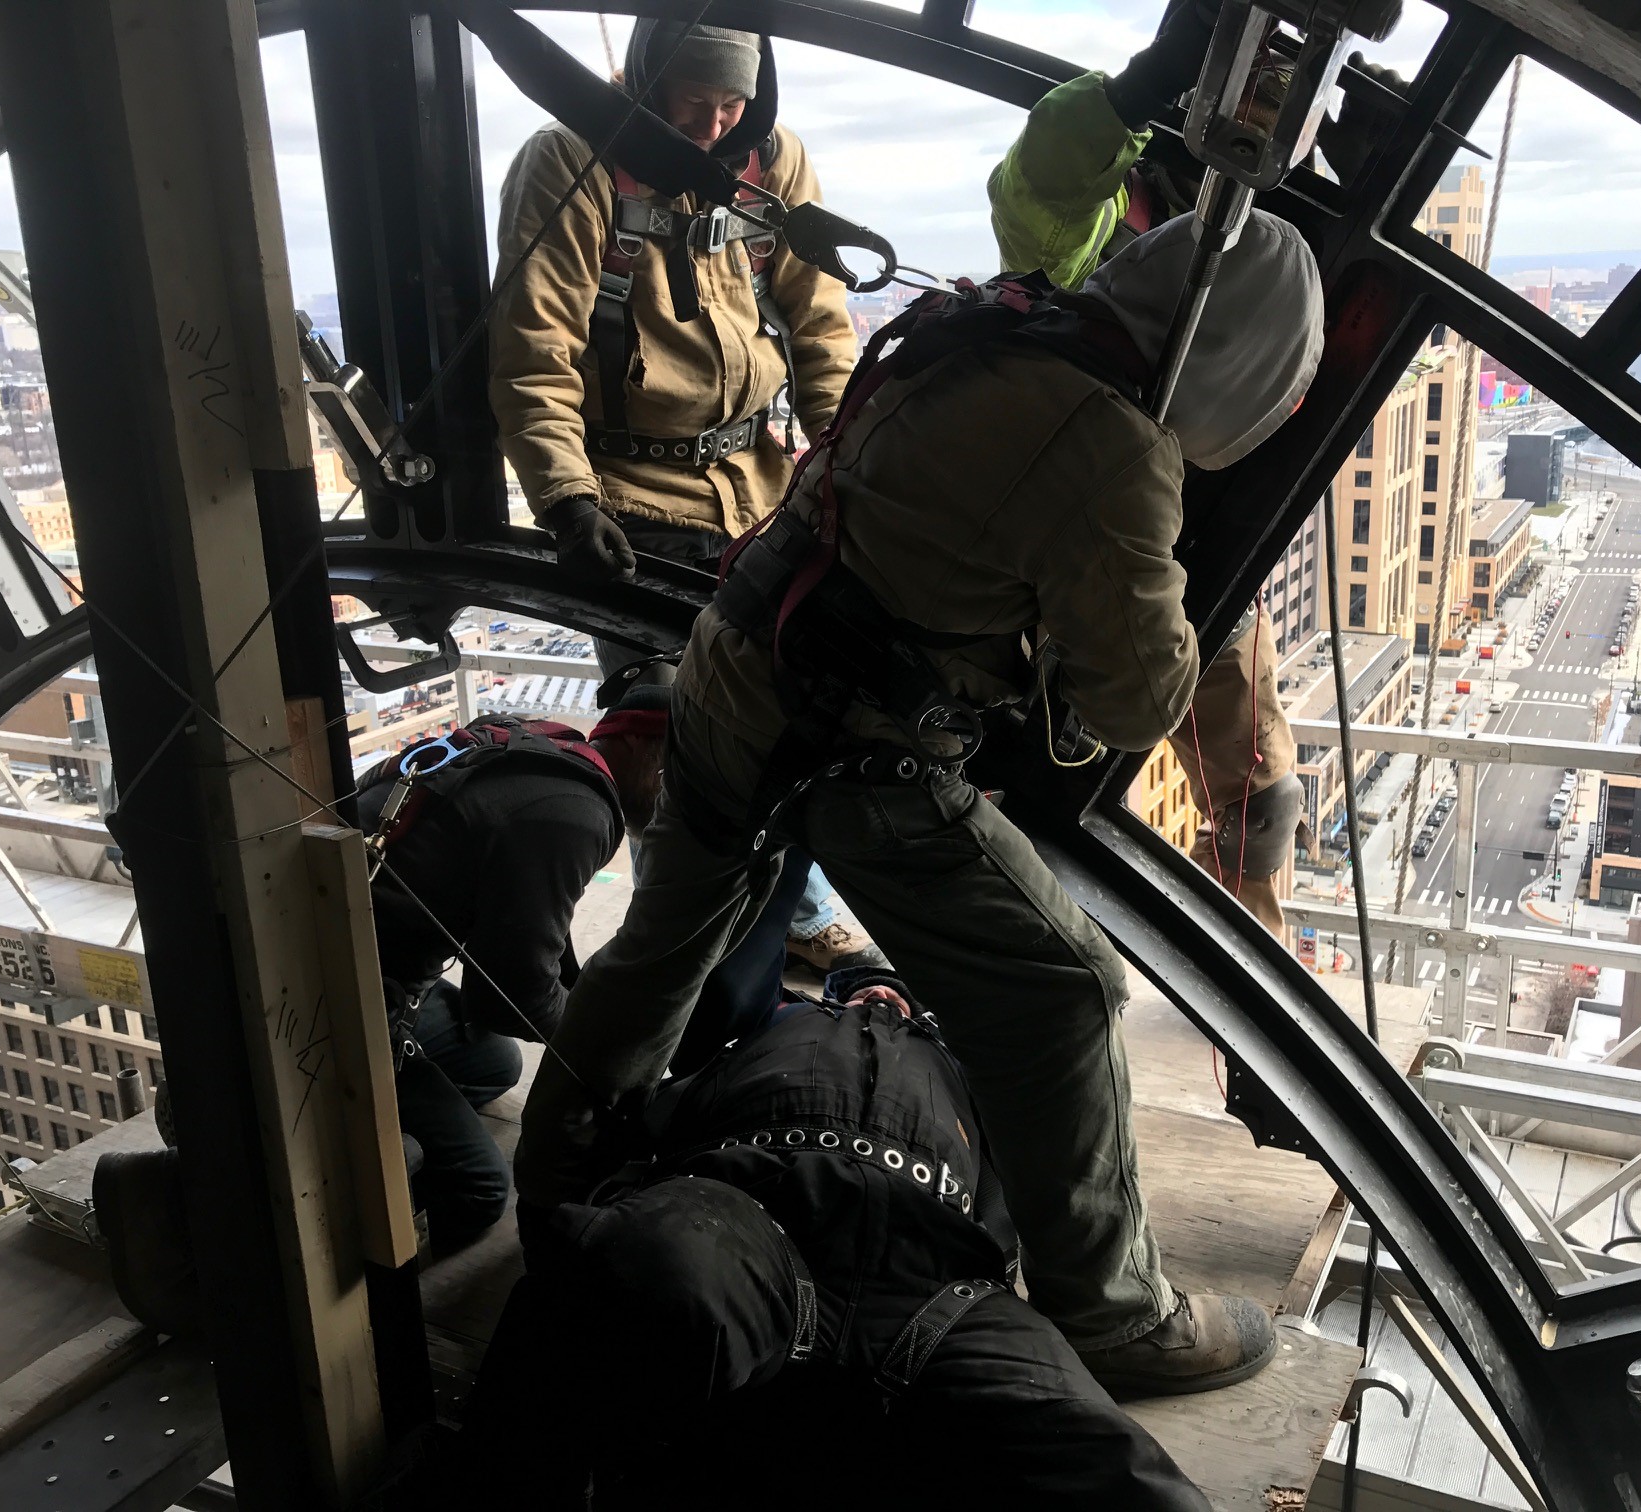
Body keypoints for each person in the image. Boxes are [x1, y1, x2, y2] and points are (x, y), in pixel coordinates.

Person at [515, 208, 1324, 1396]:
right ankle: (1111, 1316)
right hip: (857, 748)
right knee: (1063, 986)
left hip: (733, 675)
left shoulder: (983, 327)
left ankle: (554, 1188)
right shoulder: (1112, 445)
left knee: (663, 949)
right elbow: (1137, 699)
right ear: (1239, 371)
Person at [393, 972, 1210, 1510]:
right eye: (859, 986)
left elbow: (1045, 1171)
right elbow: (649, 1097)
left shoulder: (967, 1071)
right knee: (624, 1275)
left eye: (896, 990)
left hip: (935, 1280)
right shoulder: (764, 1028)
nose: (878, 995)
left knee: (1107, 1460)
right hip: (748, 1214)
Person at [986, 2, 1399, 934]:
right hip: (1074, 540)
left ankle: (1234, 967)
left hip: (1196, 544)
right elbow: (1039, 190)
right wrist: (1140, 86)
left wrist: (1377, 181)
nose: (1256, 116)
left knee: (1260, 805)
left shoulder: (1287, 241)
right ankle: (1015, 944)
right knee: (1034, 764)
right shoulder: (1104, 223)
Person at [488, 17, 882, 975]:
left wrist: (850, 460)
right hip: (632, 499)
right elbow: (534, 349)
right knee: (664, 742)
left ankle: (792, 911)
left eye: (733, 104)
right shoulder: (572, 163)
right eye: (694, 103)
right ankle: (676, 951)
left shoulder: (771, 160)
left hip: (760, 491)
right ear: (647, 75)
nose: (713, 126)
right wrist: (568, 498)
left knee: (789, 716)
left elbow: (821, 327)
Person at [359, 692, 808, 1250]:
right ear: (640, 744)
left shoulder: (544, 748)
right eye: (678, 777)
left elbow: (524, 941)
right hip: (354, 1005)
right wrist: (607, 1060)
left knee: (497, 1065)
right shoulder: (574, 812)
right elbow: (509, 1000)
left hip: (368, 960)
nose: (677, 801)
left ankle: (409, 1107)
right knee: (480, 1190)